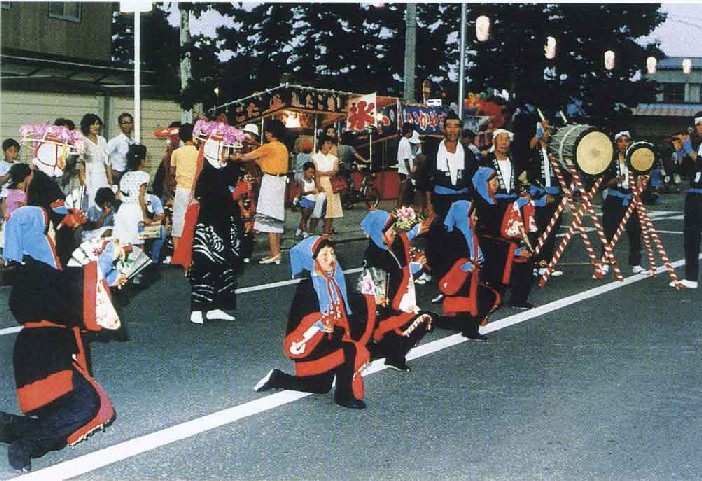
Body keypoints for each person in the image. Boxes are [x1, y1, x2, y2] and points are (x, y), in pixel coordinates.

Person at [0, 206, 121, 472]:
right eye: (47, 229)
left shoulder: (30, 270)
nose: (51, 233)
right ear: (35, 234)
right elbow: (71, 291)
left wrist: (102, 280)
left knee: (69, 407)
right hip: (45, 352)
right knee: (85, 404)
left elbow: (67, 294)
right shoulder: (38, 271)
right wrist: (105, 262)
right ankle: (26, 444)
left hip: (40, 350)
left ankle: (9, 427)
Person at [253, 236, 375, 409]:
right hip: (313, 344)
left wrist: (369, 296)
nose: (331, 259)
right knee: (349, 349)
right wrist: (320, 324)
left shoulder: (335, 279)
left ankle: (278, 378)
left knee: (320, 386)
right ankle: (344, 395)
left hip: (331, 339)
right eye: (324, 256)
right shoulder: (308, 287)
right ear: (313, 261)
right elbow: (298, 322)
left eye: (332, 254)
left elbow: (350, 306)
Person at [360, 209, 433, 371]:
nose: (394, 232)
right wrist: (415, 267)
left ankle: (385, 348)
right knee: (424, 319)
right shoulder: (375, 256)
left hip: (387, 309)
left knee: (420, 319)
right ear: (379, 231)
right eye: (390, 229)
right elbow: (384, 295)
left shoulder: (383, 248)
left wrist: (414, 265)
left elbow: (402, 243)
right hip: (382, 314)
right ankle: (392, 354)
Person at [424, 111, 478, 301]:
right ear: (443, 128)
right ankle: (444, 283)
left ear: (460, 129)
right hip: (441, 201)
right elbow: (424, 183)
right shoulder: (433, 153)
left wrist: (473, 207)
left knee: (462, 242)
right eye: (449, 126)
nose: (452, 130)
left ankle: (462, 283)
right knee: (442, 242)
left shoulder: (469, 153)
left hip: (463, 200)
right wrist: (429, 207)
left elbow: (474, 182)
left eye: (456, 126)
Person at [189, 139, 243, 324]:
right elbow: (205, 196)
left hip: (224, 222)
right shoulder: (208, 172)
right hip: (210, 224)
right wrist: (233, 194)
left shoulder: (225, 170)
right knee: (205, 264)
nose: (227, 153)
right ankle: (197, 308)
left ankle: (217, 306)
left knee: (225, 265)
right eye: (223, 149)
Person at [432, 200, 501, 340]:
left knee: (457, 322)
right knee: (488, 296)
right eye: (472, 215)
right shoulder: (452, 237)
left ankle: (435, 319)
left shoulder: (470, 234)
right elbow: (446, 264)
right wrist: (466, 266)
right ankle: (470, 329)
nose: (475, 218)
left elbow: (480, 257)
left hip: (468, 279)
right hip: (459, 282)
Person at [472, 160, 536, 310]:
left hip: (498, 244)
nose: (495, 183)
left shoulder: (492, 200)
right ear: (483, 183)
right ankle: (496, 297)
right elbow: (491, 227)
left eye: (496, 180)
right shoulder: (480, 203)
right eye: (491, 180)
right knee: (520, 257)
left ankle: (517, 299)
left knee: (525, 257)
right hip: (488, 246)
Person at [231, 119, 288, 264]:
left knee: (269, 218)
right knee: (275, 217)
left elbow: (245, 157)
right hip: (279, 183)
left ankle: (275, 254)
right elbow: (261, 162)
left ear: (270, 133)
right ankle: (275, 253)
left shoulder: (269, 147)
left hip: (271, 182)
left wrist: (232, 157)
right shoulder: (282, 147)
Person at [597, 131, 649, 277]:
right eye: (620, 141)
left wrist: (642, 184)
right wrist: (614, 181)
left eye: (626, 141)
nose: (624, 144)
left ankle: (636, 264)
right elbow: (601, 183)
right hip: (614, 199)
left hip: (632, 199)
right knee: (609, 231)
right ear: (616, 143)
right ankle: (605, 262)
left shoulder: (636, 159)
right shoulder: (609, 161)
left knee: (634, 231)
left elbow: (644, 183)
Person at [523, 118, 564, 277]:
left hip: (555, 195)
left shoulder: (554, 151)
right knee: (535, 229)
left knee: (552, 229)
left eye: (549, 131)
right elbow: (526, 155)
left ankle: (545, 263)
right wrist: (540, 194)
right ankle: (533, 263)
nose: (547, 134)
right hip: (538, 194)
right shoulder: (534, 150)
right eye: (545, 130)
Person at [671, 115, 702, 289]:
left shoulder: (696, 147)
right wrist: (679, 151)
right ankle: (691, 278)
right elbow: (683, 170)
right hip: (695, 194)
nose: (699, 128)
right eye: (697, 125)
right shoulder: (696, 146)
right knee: (691, 237)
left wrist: (689, 149)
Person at [113, 144, 150, 248]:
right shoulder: (144, 176)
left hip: (123, 210)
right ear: (142, 161)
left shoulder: (125, 175)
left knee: (123, 242)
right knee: (138, 242)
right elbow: (140, 197)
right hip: (135, 210)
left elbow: (117, 196)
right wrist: (144, 216)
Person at [170, 123, 199, 252]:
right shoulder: (199, 152)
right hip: (196, 189)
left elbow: (171, 171)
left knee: (178, 219)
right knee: (195, 220)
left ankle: (177, 253)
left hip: (181, 189)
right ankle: (193, 252)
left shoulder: (176, 152)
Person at [312, 134, 343, 236]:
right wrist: (318, 184)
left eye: (330, 143)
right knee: (317, 210)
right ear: (322, 144)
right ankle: (311, 232)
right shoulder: (315, 157)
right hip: (319, 184)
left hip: (331, 185)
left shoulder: (334, 158)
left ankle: (326, 234)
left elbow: (335, 171)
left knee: (330, 211)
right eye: (327, 143)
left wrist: (322, 173)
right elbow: (315, 173)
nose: (329, 145)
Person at [80, 114, 112, 210]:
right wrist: (83, 182)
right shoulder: (83, 141)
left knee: (105, 202)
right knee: (93, 203)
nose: (96, 126)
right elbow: (82, 164)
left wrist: (110, 179)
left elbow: (107, 161)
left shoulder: (102, 140)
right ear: (87, 126)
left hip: (102, 175)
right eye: (93, 124)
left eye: (97, 124)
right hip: (91, 176)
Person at [295, 162, 325, 238]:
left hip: (312, 201)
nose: (311, 174)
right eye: (309, 172)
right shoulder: (302, 181)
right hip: (305, 201)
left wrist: (320, 189)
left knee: (306, 218)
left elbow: (317, 188)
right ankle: (304, 232)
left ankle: (299, 230)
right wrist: (311, 192)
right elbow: (302, 192)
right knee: (304, 217)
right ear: (305, 172)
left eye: (312, 172)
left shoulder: (313, 180)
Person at [105, 113, 135, 186]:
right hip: (116, 176)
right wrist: (111, 173)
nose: (127, 125)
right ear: (119, 125)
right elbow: (105, 156)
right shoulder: (115, 141)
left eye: (129, 122)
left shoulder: (133, 142)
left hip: (128, 176)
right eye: (124, 123)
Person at [396, 123, 417, 207]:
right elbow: (406, 160)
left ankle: (399, 208)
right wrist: (410, 173)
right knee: (404, 193)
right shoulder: (406, 144)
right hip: (405, 172)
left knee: (403, 193)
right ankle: (399, 209)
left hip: (402, 170)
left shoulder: (401, 142)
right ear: (409, 131)